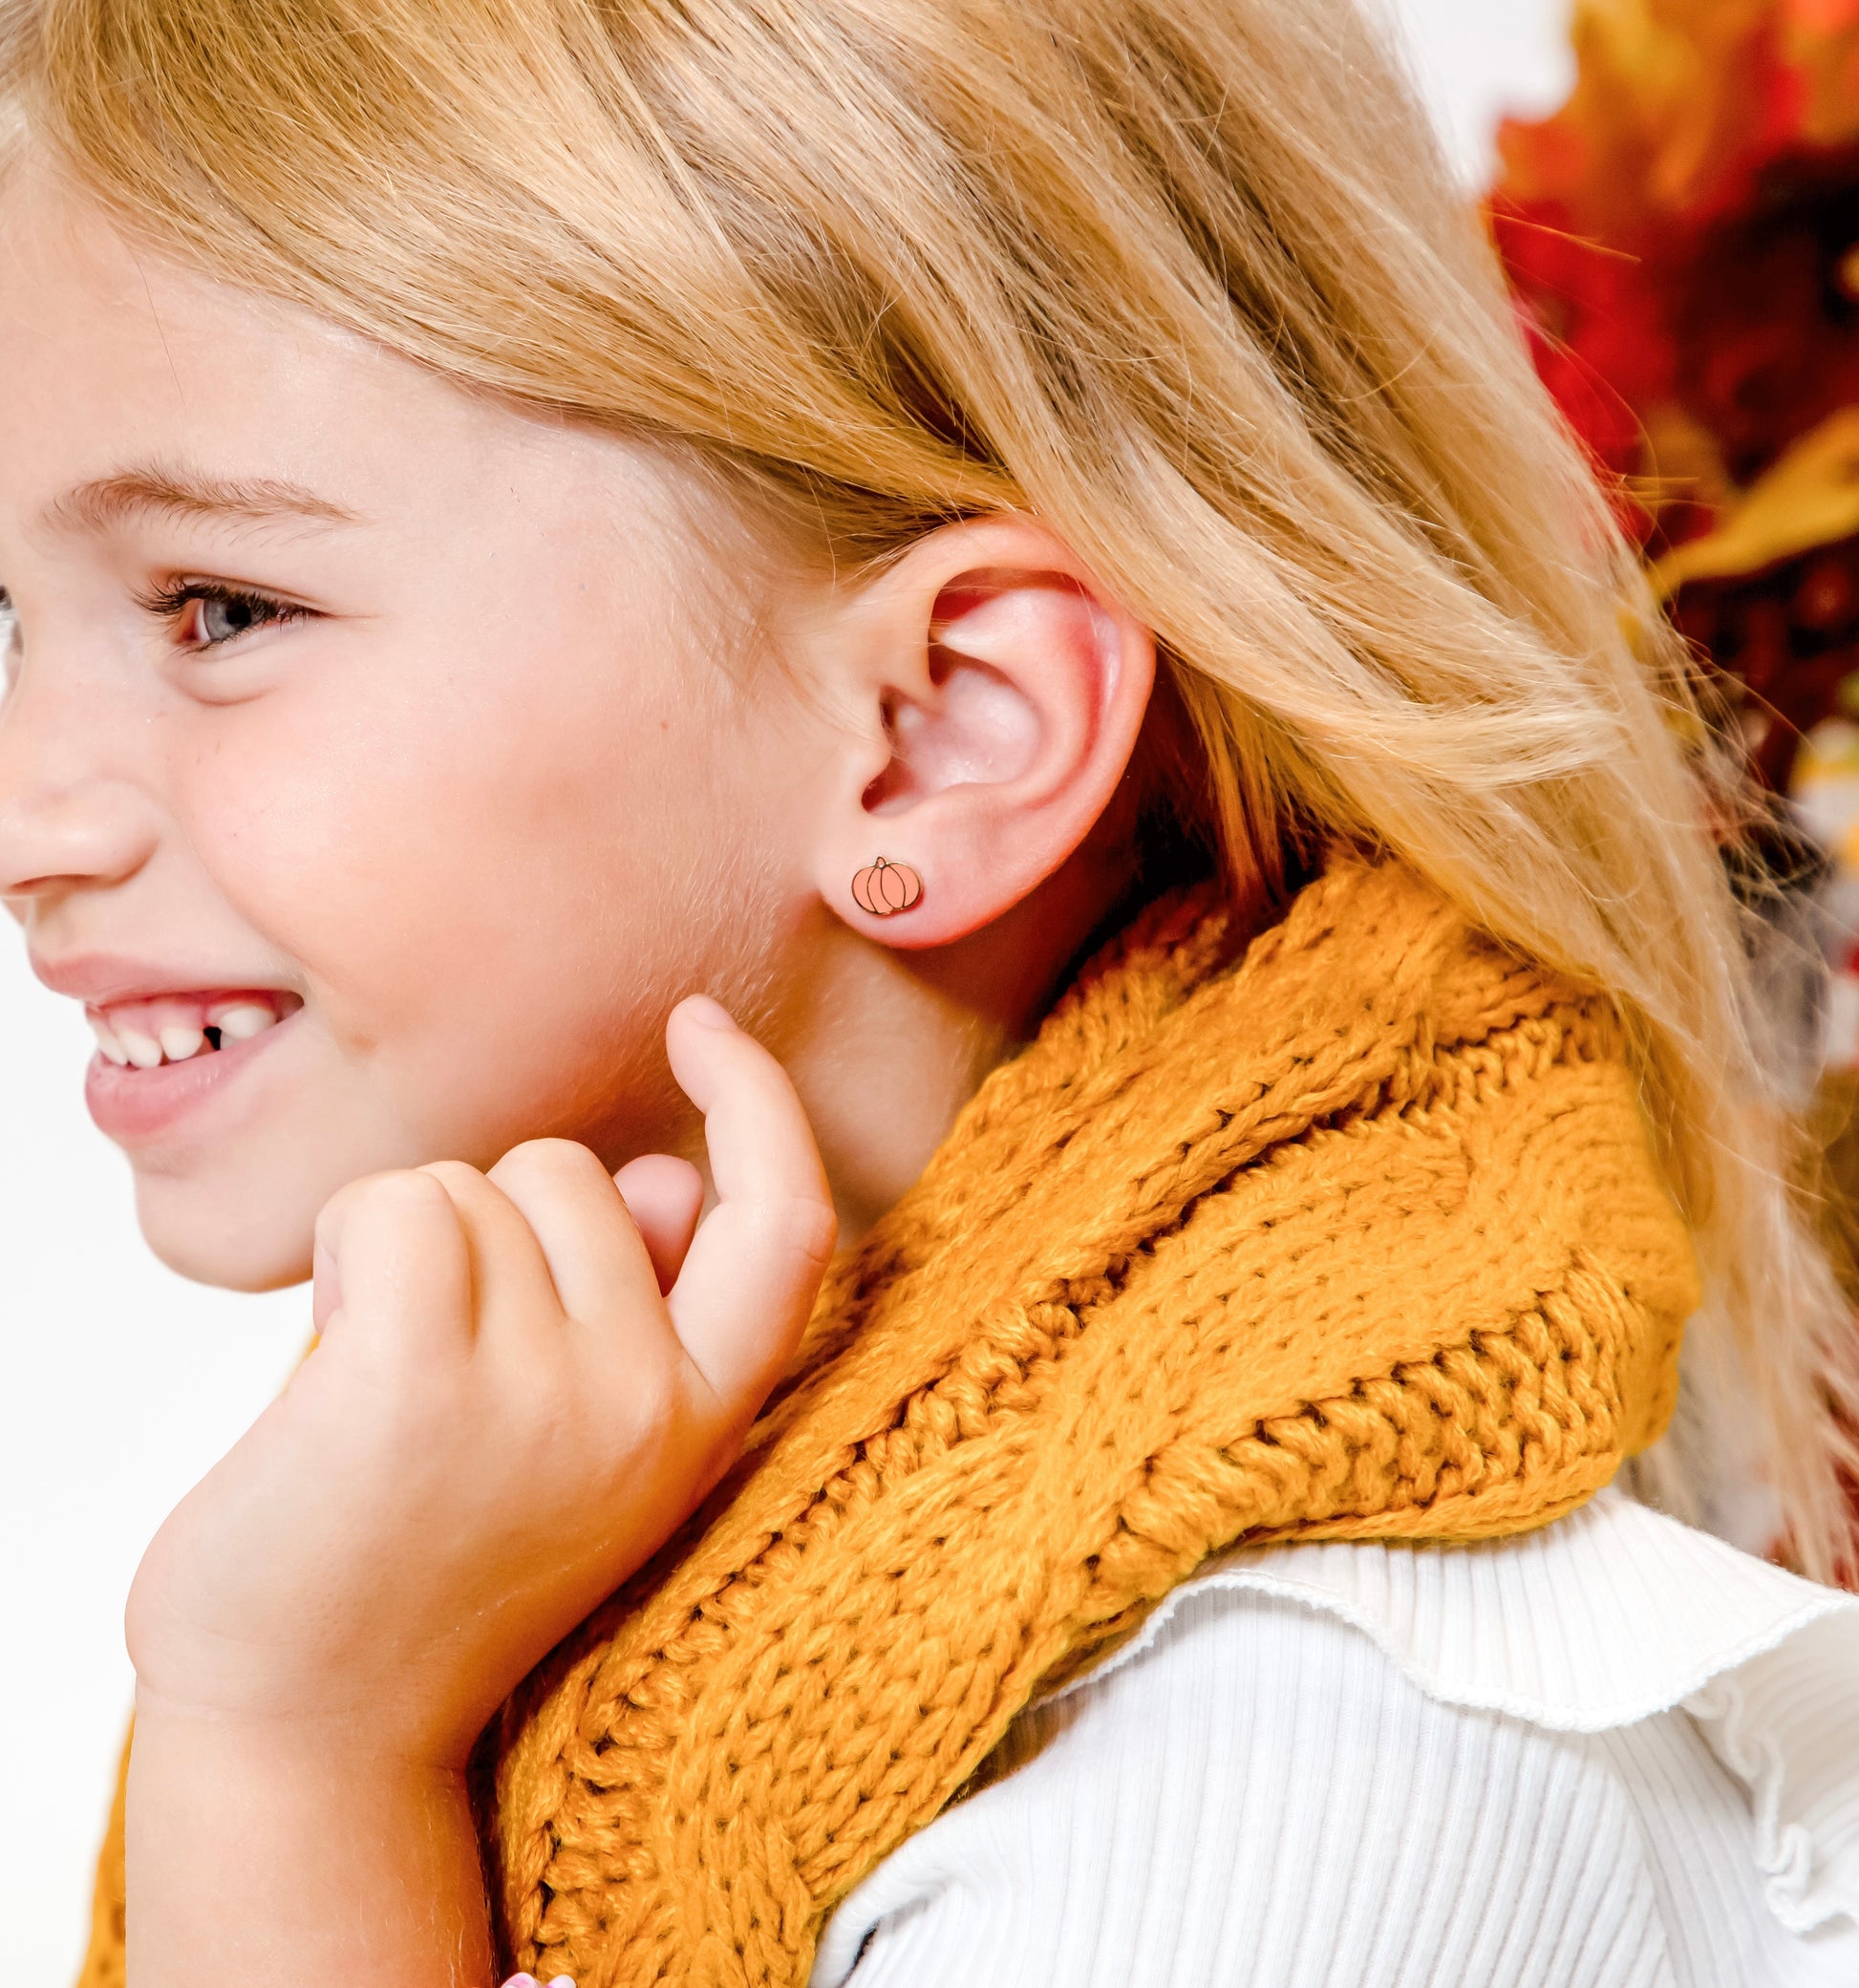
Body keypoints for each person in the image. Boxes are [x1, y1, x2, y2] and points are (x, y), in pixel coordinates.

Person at [1, 0, 1855, 1981]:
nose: (33, 823)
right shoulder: (510, 1515)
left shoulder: (1279, 1785)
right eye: (13, 621)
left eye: (221, 610)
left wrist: (293, 1769)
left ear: (942, 733)